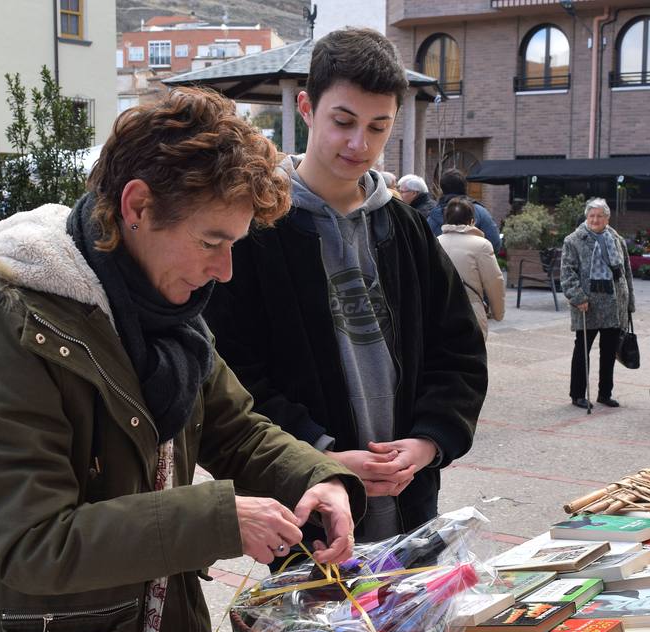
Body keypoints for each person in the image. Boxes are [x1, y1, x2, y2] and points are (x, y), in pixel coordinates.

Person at [0, 87, 364, 632]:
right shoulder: (9, 323)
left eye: (234, 244)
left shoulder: (171, 312)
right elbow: (31, 543)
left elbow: (235, 428)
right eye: (212, 241)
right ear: (137, 206)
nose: (226, 270)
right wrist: (220, 519)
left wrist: (318, 477)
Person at [205, 27, 487, 543]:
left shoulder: (405, 229)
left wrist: (428, 440)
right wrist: (317, 450)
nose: (360, 144)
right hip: (306, 508)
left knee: (411, 623)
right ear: (309, 108)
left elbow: (459, 349)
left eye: (379, 127)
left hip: (412, 500)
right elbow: (230, 372)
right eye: (344, 121)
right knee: (319, 625)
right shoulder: (255, 229)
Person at [560, 197, 635, 410]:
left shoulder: (616, 238)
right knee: (582, 350)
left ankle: (605, 393)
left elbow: (626, 271)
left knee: (609, 351)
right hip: (588, 304)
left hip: (613, 303)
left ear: (607, 218)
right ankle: (577, 394)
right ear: (586, 217)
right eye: (592, 216)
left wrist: (629, 302)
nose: (595, 219)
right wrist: (578, 297)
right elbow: (567, 273)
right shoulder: (573, 240)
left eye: (600, 216)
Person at [436, 196, 505, 340]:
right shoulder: (482, 245)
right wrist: (498, 313)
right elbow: (494, 281)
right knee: (472, 359)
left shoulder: (435, 243)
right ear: (472, 220)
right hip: (471, 312)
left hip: (440, 312)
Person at [426, 169, 502, 251]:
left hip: (441, 262)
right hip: (472, 261)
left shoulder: (433, 216)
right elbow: (495, 243)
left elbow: (425, 245)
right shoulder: (480, 211)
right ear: (465, 187)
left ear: (442, 188)